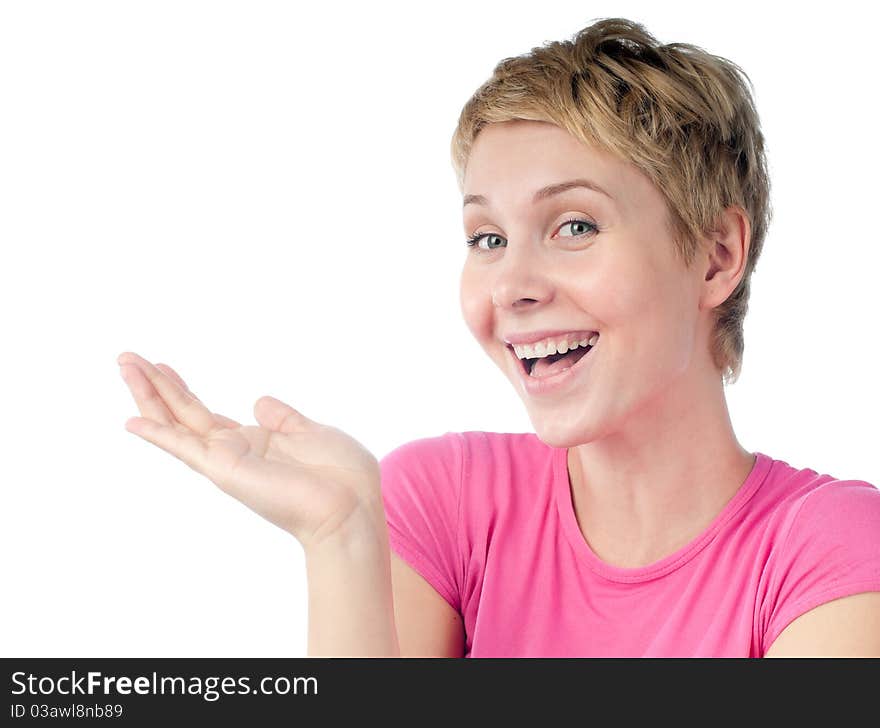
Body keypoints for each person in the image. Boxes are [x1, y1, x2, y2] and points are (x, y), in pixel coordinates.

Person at [117, 17, 880, 657]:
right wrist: (342, 540)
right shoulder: (443, 502)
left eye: (574, 225)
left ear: (716, 256)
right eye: (486, 237)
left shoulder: (828, 550)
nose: (511, 286)